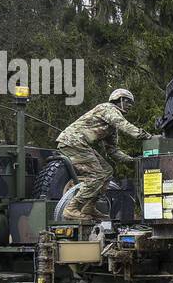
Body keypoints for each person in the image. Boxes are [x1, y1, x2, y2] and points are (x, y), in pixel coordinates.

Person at [56, 88, 151, 222]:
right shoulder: (107, 108)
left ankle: (89, 207)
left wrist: (132, 160)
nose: (130, 105)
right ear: (119, 100)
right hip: (73, 141)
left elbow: (112, 151)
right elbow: (123, 124)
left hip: (79, 143)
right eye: (128, 101)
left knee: (107, 171)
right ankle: (71, 208)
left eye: (131, 103)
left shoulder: (111, 127)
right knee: (97, 175)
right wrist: (145, 136)